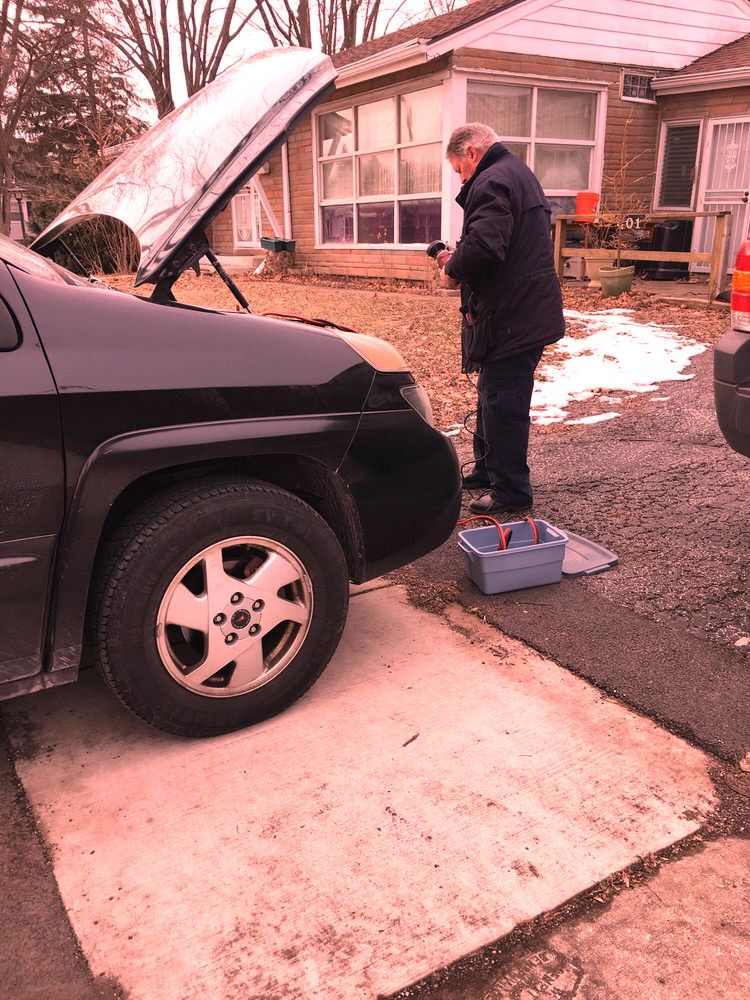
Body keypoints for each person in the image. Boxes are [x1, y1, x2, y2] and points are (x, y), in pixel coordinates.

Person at [436, 123, 565, 519]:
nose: (461, 179)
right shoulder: (516, 173)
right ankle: (487, 470)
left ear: (472, 153)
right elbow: (502, 242)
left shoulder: (492, 180)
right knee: (491, 396)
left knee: (504, 403)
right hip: (522, 310)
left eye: (459, 170)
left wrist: (451, 268)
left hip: (514, 316)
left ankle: (511, 491)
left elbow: (485, 246)